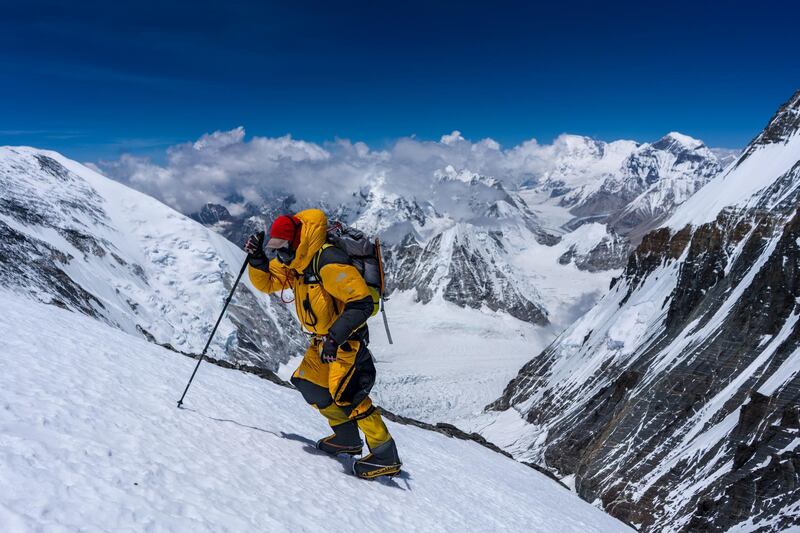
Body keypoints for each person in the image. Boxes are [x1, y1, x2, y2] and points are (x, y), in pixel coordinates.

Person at [244, 209, 402, 479]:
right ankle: (347, 439)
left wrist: (334, 337)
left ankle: (385, 455)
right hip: (322, 342)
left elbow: (361, 302)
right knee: (310, 385)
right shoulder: (296, 260)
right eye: (275, 248)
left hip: (345, 341)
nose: (279, 253)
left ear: (295, 240)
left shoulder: (327, 261)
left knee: (349, 396)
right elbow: (270, 282)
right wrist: (257, 260)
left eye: (281, 247)